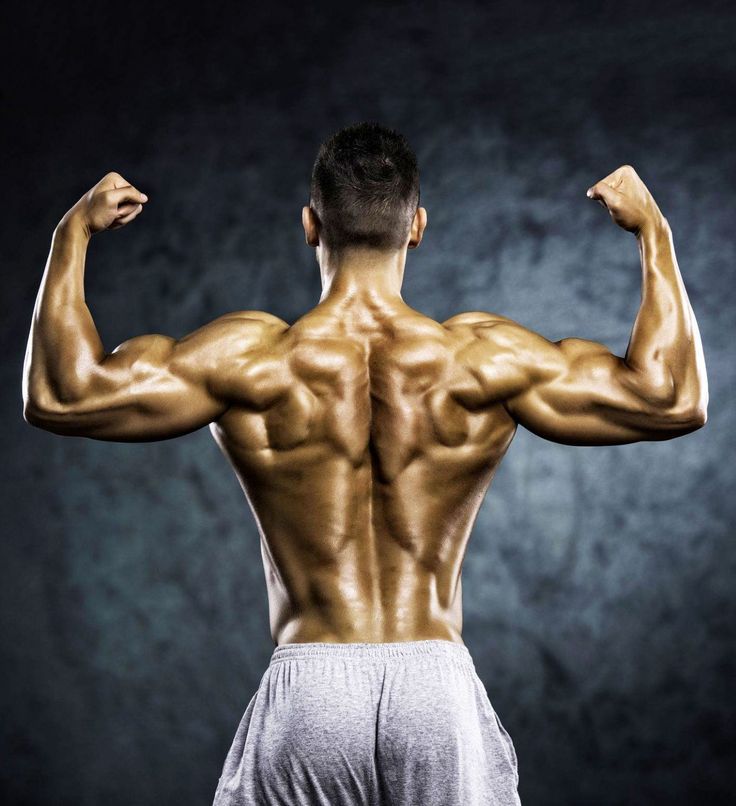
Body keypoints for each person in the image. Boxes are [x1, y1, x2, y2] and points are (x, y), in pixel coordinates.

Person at [22, 122, 708, 806]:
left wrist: (71, 236)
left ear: (310, 226)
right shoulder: (480, 360)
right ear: (418, 226)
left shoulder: (254, 360)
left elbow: (60, 394)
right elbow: (672, 398)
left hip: (310, 691)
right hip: (433, 689)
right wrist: (655, 234)